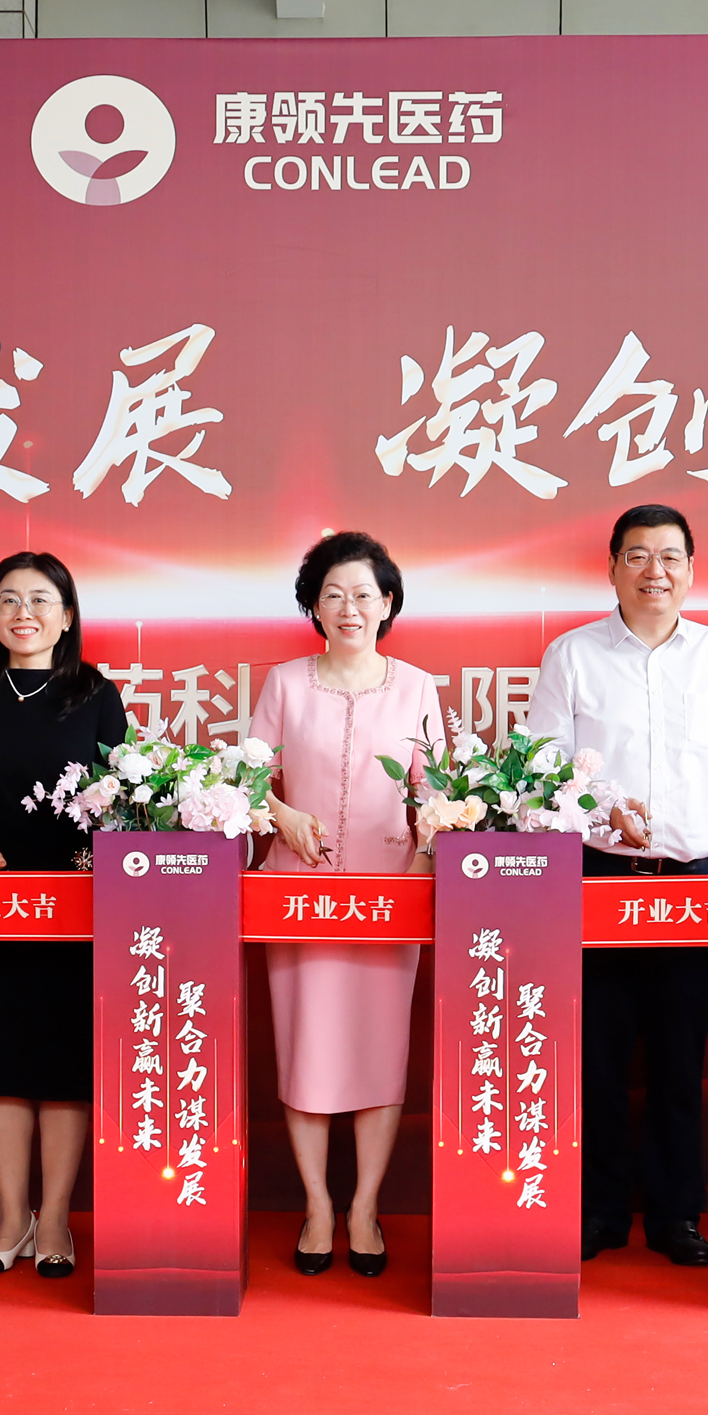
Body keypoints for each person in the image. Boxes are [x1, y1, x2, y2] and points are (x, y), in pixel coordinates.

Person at [528, 503, 708, 1269]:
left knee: (679, 1059)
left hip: (691, 888)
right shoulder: (571, 657)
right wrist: (602, 810)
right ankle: (598, 1212)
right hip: (597, 879)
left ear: (691, 570)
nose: (653, 571)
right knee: (595, 1057)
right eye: (637, 556)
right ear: (611, 568)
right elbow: (542, 777)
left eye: (669, 557)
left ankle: (675, 1215)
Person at [0, 552, 128, 1279]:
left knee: (65, 1066)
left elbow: (125, 793)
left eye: (40, 600)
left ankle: (58, 1220)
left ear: (66, 616)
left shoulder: (95, 694)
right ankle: (13, 1218)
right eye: (7, 600)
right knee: (0, 1063)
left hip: (78, 906)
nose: (22, 613)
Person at [252, 531, 440, 1279]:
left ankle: (364, 1207)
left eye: (364, 594)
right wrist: (281, 814)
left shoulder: (417, 686)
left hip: (391, 894)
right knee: (306, 1049)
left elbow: (437, 793)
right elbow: (245, 782)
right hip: (297, 895)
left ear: (387, 603)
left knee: (378, 1052)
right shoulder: (284, 684)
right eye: (333, 594)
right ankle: (317, 1207)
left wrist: (421, 867)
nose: (349, 607)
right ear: (314, 607)